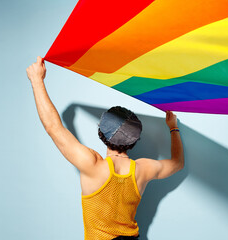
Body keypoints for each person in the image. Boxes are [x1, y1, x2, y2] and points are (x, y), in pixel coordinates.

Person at [27, 56, 184, 240]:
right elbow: (177, 163)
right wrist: (173, 127)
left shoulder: (91, 164)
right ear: (135, 140)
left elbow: (53, 128)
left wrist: (37, 81)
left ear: (101, 133)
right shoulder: (144, 169)